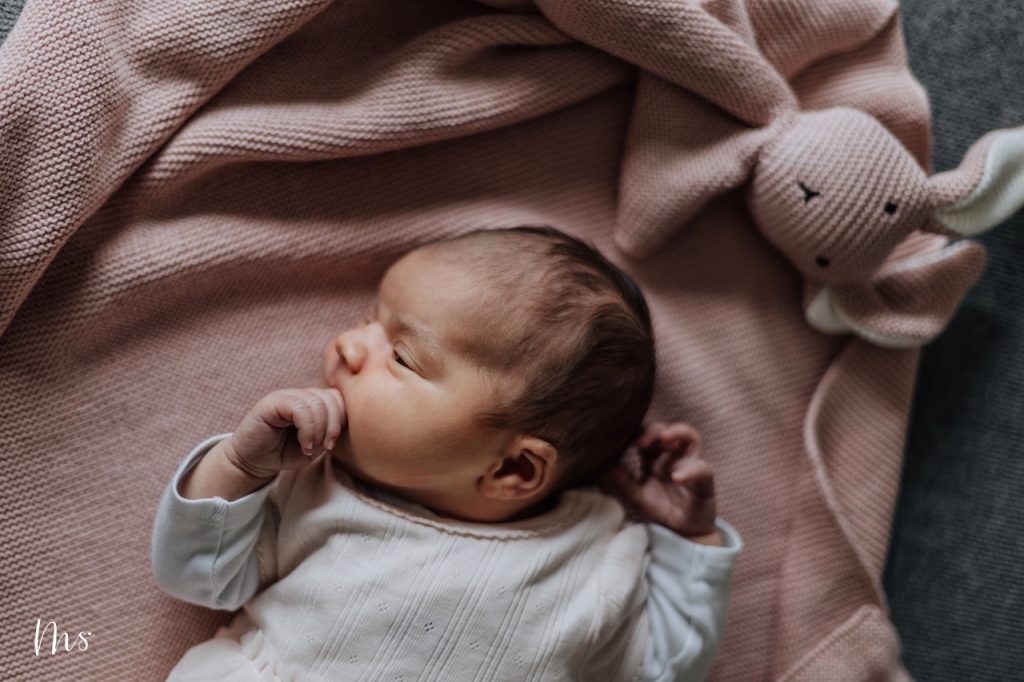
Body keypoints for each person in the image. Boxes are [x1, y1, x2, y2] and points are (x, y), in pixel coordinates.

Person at [150, 225, 742, 681]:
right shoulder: (312, 486)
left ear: (513, 468)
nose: (349, 344)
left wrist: (690, 542)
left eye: (402, 357)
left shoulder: (596, 562)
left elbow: (664, 667)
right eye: (367, 320)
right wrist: (241, 467)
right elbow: (197, 577)